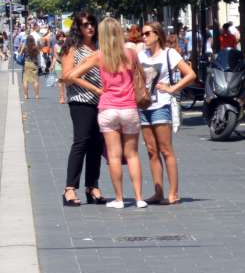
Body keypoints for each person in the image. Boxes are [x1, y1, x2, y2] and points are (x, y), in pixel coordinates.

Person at [66, 17, 146, 209]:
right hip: (129, 108)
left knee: (114, 156)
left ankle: (118, 199)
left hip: (108, 107)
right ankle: (139, 198)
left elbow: (71, 75)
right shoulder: (131, 53)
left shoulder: (99, 56)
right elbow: (140, 75)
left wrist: (96, 89)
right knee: (133, 154)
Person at [137, 22, 195, 205]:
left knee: (166, 149)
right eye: (142, 34)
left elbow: (190, 74)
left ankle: (173, 193)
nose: (144, 37)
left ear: (157, 34)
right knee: (151, 151)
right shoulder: (140, 55)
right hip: (144, 106)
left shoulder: (169, 54)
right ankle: (158, 192)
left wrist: (172, 88)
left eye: (147, 34)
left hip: (161, 106)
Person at [59, 12, 104, 206]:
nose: (90, 28)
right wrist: (93, 88)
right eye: (85, 25)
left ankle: (92, 186)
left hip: (101, 101)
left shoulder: (100, 47)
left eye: (92, 24)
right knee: (81, 141)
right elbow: (67, 76)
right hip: (80, 100)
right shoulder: (72, 48)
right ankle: (69, 188)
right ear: (78, 27)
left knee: (96, 143)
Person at [21, 35, 41, 100]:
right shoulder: (35, 47)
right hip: (34, 64)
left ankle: (26, 95)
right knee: (35, 80)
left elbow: (20, 54)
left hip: (27, 63)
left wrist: (22, 48)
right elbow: (38, 55)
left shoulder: (25, 47)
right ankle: (37, 95)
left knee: (25, 80)